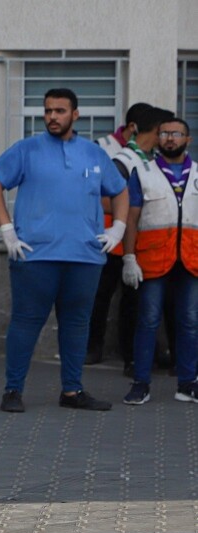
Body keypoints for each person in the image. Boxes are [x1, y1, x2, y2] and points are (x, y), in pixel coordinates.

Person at [0, 88, 128, 413]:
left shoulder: (93, 154)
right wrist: (6, 230)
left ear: (75, 115)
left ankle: (73, 392)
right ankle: (12, 391)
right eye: (48, 111)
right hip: (35, 255)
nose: (52, 117)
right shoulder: (27, 149)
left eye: (60, 111)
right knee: (25, 322)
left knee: (77, 324)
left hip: (85, 256)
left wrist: (117, 229)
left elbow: (120, 191)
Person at [121, 118, 198, 405]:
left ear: (187, 140)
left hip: (192, 259)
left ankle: (188, 383)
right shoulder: (142, 173)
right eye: (164, 133)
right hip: (153, 259)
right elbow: (132, 217)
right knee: (148, 320)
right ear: (158, 138)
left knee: (190, 322)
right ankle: (141, 383)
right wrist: (129, 257)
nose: (169, 138)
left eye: (176, 134)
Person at [86, 103, 159, 374]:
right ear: (133, 128)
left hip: (135, 240)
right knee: (98, 297)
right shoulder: (102, 147)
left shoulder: (149, 157)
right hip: (103, 238)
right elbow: (92, 192)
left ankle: (131, 355)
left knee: (132, 302)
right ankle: (92, 348)